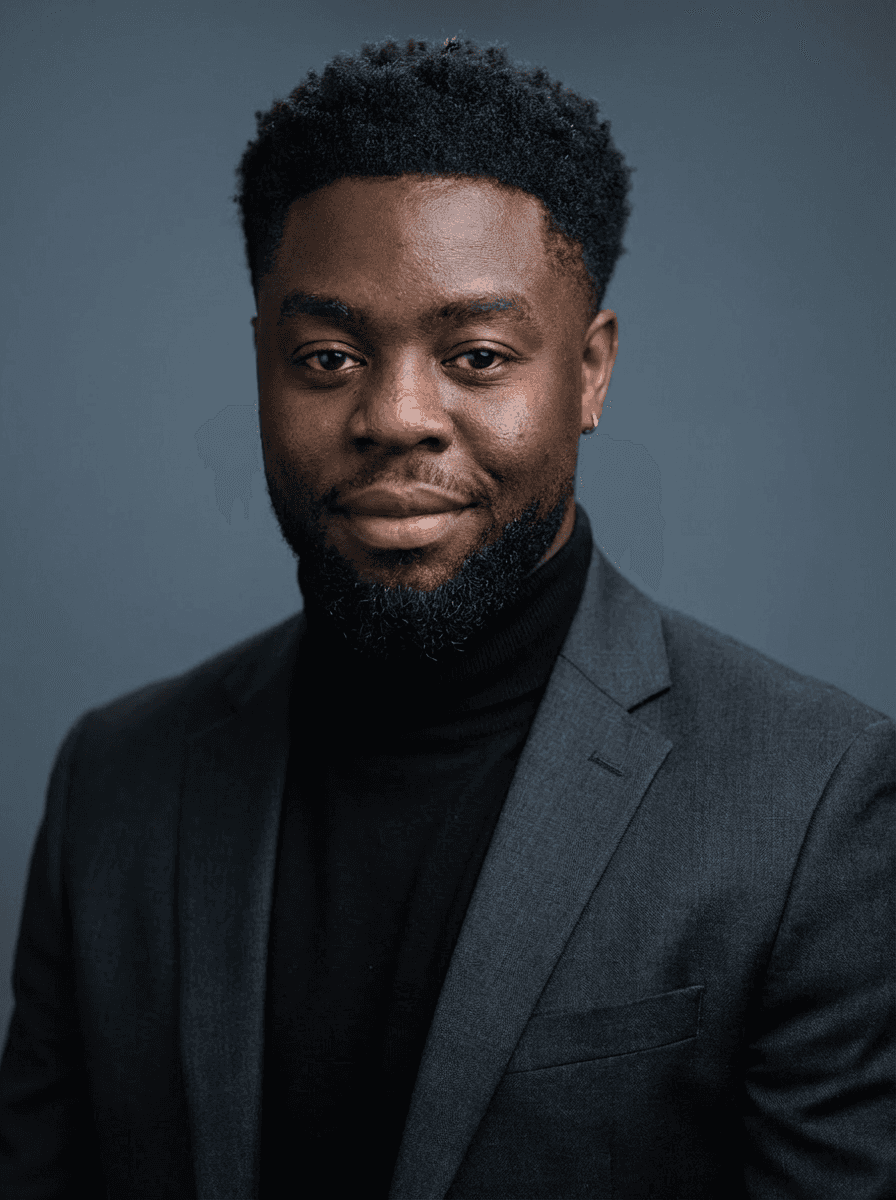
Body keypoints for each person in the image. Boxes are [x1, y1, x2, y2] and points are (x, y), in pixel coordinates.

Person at [0, 36, 892, 1200]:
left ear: (588, 373)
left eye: (476, 356)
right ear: (263, 366)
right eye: (326, 356)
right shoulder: (113, 782)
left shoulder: (811, 803)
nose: (396, 416)